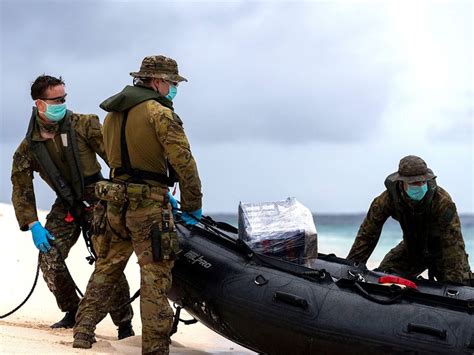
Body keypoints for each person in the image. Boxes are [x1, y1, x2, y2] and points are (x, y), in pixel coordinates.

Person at [73, 55, 203, 354]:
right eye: (171, 83)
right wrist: (192, 204)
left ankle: (83, 331)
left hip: (114, 204)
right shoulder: (160, 113)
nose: (173, 89)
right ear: (157, 81)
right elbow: (184, 163)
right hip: (148, 208)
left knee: (107, 268)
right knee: (155, 276)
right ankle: (155, 347)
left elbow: (116, 159)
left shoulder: (112, 115)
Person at [11, 75, 134, 338]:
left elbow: (115, 159)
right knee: (49, 256)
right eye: (56, 100)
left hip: (97, 198)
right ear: (40, 104)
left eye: (64, 99)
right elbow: (21, 188)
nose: (62, 104)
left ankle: (124, 324)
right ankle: (71, 310)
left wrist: (133, 188)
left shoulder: (84, 125)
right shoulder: (29, 147)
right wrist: (33, 225)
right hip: (66, 203)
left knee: (107, 259)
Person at [347, 155, 472, 285]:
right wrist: (352, 266)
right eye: (414, 183)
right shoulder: (387, 200)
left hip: (443, 252)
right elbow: (367, 234)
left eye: (423, 182)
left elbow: (453, 243)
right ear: (402, 182)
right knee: (382, 276)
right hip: (412, 248)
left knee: (461, 286)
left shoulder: (442, 201)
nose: (420, 186)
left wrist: (454, 284)